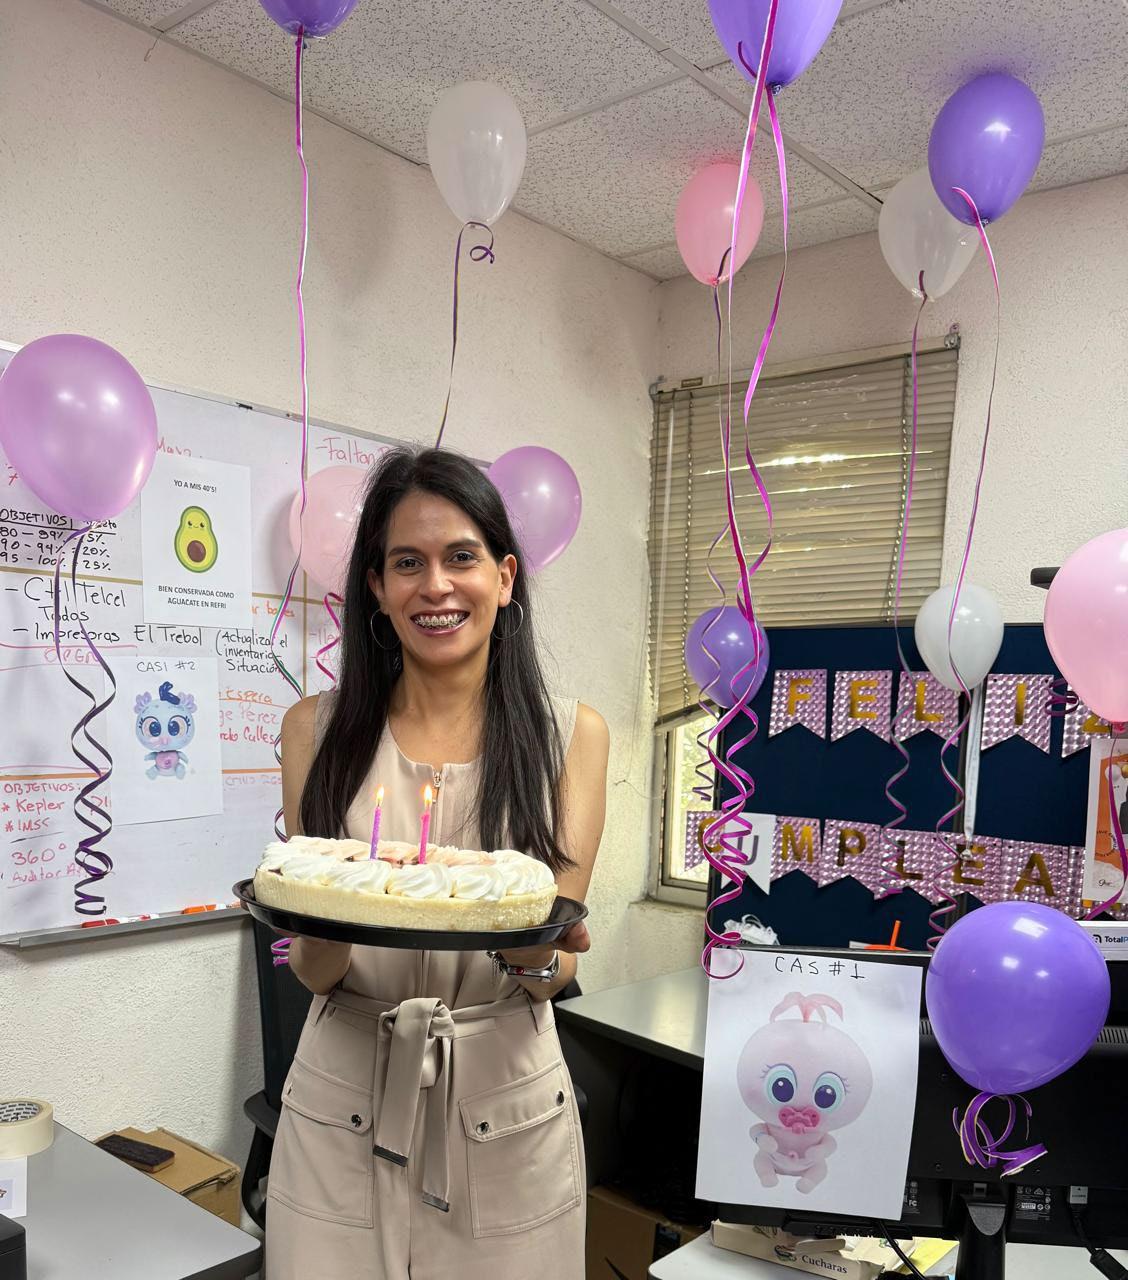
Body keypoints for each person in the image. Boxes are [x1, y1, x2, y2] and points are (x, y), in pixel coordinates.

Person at [264, 446, 609, 1280]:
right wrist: (319, 921)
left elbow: (550, 973)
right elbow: (315, 970)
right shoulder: (314, 730)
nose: (437, 586)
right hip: (343, 1097)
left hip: (502, 1105)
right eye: (407, 563)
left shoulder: (572, 737)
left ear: (505, 576)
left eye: (461, 557)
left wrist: (540, 952)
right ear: (376, 587)